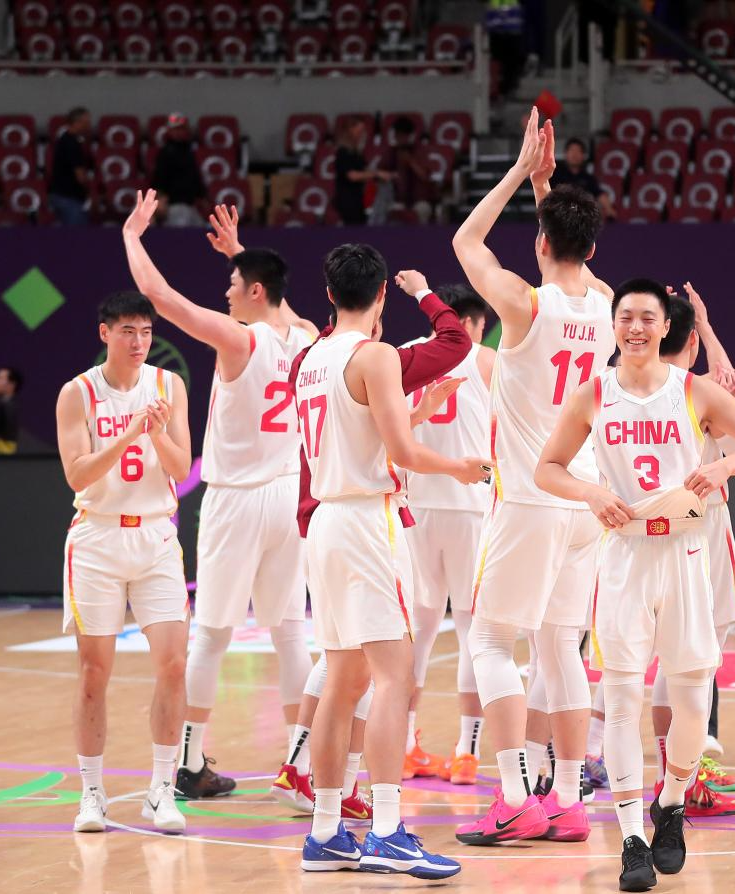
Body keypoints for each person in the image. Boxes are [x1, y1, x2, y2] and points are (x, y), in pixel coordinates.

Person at [535, 277, 735, 890]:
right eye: (626, 317)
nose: (636, 327)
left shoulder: (693, 391)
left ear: (666, 326)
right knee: (622, 699)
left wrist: (725, 466)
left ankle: (671, 802)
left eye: (648, 317)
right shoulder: (593, 393)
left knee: (693, 699)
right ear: (613, 325)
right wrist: (590, 491)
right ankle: (630, 838)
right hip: (624, 553)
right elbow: (546, 468)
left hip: (685, 550)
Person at [451, 108, 616, 846]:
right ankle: (570, 800)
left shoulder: (521, 303)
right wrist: (550, 193)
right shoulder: (607, 305)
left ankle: (516, 796)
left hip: (528, 497)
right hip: (584, 502)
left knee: (490, 645)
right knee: (560, 650)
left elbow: (466, 242)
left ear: (540, 242)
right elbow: (576, 263)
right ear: (590, 246)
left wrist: (521, 172)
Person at [295, 242, 486, 877]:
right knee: (392, 678)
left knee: (341, 680)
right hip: (366, 519)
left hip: (326, 521)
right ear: (382, 294)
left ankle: (326, 831)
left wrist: (413, 414)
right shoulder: (374, 355)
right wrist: (458, 467)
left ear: (329, 295)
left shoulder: (310, 358)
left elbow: (363, 431)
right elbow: (402, 451)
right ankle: (384, 830)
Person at [122, 190, 317, 802]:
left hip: (238, 498)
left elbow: (160, 297)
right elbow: (276, 300)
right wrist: (241, 252)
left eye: (234, 282)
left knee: (211, 634)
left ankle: (188, 763)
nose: (226, 291)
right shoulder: (306, 334)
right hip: (289, 495)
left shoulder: (239, 339)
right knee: (291, 632)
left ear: (255, 292)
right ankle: (299, 769)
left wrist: (131, 236)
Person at [55, 290, 192, 834]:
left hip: (155, 536)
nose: (139, 342)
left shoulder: (169, 385)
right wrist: (130, 433)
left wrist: (155, 432)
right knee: (94, 672)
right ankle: (92, 791)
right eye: (128, 331)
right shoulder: (78, 393)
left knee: (174, 665)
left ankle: (161, 789)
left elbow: (180, 467)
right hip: (98, 538)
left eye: (146, 332)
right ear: (105, 333)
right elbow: (77, 474)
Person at [647, 286, 735, 819]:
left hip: (646, 530)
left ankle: (670, 775)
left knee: (661, 659)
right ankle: (684, 779)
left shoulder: (632, 387)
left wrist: (702, 331)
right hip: (701, 529)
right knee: (697, 659)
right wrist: (708, 328)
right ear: (689, 340)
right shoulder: (699, 393)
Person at [402, 285, 495, 784]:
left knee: (417, 632)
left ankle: (405, 746)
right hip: (470, 506)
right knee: (471, 631)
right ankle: (466, 752)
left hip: (417, 505)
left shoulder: (405, 354)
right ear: (473, 323)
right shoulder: (485, 359)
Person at [334, 117, 391, 226]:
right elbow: (352, 175)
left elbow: (365, 170)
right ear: (350, 131)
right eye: (359, 132)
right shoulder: (343, 152)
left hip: (358, 199)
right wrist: (376, 174)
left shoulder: (357, 153)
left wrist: (381, 175)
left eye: (363, 132)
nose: (362, 135)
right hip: (347, 200)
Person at [153, 114, 207, 228]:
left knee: (202, 231)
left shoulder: (189, 152)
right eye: (176, 129)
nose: (179, 132)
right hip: (174, 205)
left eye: (182, 129)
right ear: (169, 131)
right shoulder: (165, 153)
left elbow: (195, 177)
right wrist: (160, 199)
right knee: (179, 233)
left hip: (190, 205)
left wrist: (202, 196)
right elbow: (159, 178)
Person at [550, 138, 615, 220]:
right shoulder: (555, 175)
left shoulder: (588, 178)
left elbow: (599, 194)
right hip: (558, 216)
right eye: (572, 151)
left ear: (583, 155)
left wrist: (609, 209)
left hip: (581, 218)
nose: (575, 154)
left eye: (578, 151)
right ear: (565, 154)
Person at [386, 116, 435, 224]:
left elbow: (425, 176)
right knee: (393, 212)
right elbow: (382, 174)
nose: (400, 139)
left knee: (422, 210)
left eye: (403, 136)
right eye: (398, 136)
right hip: (398, 200)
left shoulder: (420, 152)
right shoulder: (391, 153)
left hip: (420, 201)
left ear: (410, 136)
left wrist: (410, 161)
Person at [48, 107, 93, 226]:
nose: (89, 125)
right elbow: (80, 175)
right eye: (86, 122)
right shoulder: (72, 144)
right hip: (69, 198)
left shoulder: (65, 140)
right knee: (76, 234)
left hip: (61, 195)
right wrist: (90, 191)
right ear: (77, 122)